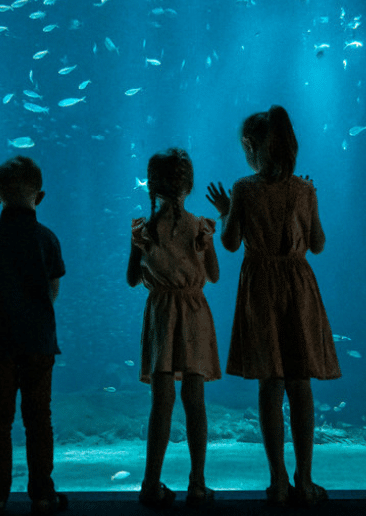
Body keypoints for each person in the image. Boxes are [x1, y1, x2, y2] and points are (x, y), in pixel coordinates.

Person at [206, 107, 340, 508]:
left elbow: (230, 244)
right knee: (301, 383)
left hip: (262, 289)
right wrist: (311, 202)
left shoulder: (244, 189)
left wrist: (225, 212)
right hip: (299, 287)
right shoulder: (305, 189)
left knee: (271, 383)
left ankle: (278, 480)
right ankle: (306, 478)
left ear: (251, 146)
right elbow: (318, 244)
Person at [0, 156, 67, 516]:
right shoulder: (47, 238)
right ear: (41, 196)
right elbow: (53, 289)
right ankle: (43, 493)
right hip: (39, 342)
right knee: (39, 419)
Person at [128, 148, 221, 509]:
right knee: (195, 401)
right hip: (194, 312)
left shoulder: (144, 229)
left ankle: (151, 483)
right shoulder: (200, 227)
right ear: (189, 185)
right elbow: (213, 275)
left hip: (161, 314)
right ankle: (197, 483)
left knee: (161, 402)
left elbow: (132, 278)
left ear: (152, 186)